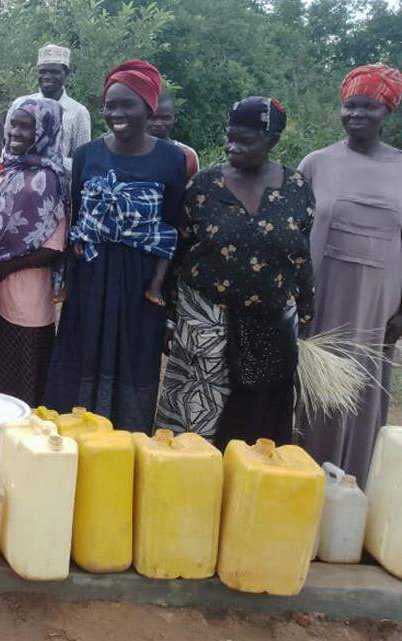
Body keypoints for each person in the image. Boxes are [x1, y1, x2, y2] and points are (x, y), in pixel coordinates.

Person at [157, 97, 315, 448]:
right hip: (205, 323)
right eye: (230, 137)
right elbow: (179, 252)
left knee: (254, 432)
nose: (233, 147)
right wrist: (169, 318)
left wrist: (305, 315)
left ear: (272, 141)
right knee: (192, 429)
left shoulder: (298, 189)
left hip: (270, 327)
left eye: (246, 140)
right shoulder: (204, 187)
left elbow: (302, 256)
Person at [43, 60, 187, 431]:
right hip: (91, 272)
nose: (117, 114)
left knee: (133, 358)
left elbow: (172, 226)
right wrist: (69, 281)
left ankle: (122, 448)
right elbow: (76, 221)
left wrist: (160, 289)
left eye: (128, 105)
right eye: (111, 105)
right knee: (81, 352)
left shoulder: (173, 159)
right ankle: (72, 443)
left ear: (149, 108)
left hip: (141, 283)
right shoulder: (89, 155)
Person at [299, 63, 402, 484]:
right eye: (350, 106)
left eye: (369, 107)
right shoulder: (316, 164)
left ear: (387, 113)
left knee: (365, 390)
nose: (357, 114)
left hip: (378, 308)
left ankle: (353, 491)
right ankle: (305, 484)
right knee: (317, 393)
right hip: (322, 300)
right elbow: (295, 233)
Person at [0, 98, 68, 405]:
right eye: (12, 124)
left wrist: (4, 268)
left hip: (25, 295)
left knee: (21, 382)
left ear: (44, 130)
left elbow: (53, 247)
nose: (15, 132)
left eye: (25, 126)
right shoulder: (11, 170)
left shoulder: (51, 178)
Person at [8, 43, 92, 169]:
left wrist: (49, 162)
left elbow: (84, 161)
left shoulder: (78, 112)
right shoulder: (20, 104)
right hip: (16, 179)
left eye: (54, 72)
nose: (47, 77)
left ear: (66, 73)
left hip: (58, 184)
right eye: (42, 72)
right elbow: (6, 147)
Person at [148, 91, 200, 180]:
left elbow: (193, 191)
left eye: (165, 118)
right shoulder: (128, 151)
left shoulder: (187, 155)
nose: (158, 123)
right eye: (153, 118)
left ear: (174, 119)